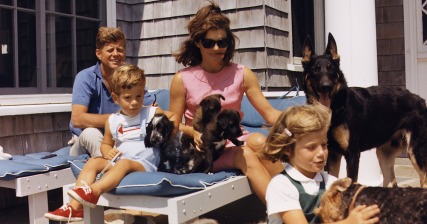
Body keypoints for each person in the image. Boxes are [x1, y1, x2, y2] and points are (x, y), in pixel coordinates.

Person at [169, 0, 284, 204]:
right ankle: (285, 212)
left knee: (258, 141)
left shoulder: (242, 74)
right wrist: (194, 133)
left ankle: (296, 202)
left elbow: (270, 113)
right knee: (246, 154)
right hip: (205, 150)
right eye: (209, 42)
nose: (216, 48)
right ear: (198, 42)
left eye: (222, 42)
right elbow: (174, 124)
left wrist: (303, 124)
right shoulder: (182, 79)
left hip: (235, 141)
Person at [45, 65, 179, 222]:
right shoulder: (113, 120)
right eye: (128, 98)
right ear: (116, 98)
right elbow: (106, 143)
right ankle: (74, 208)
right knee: (92, 162)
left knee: (124, 164)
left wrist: (170, 134)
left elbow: (174, 116)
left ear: (143, 94)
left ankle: (93, 192)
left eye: (138, 96)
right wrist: (107, 150)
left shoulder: (151, 112)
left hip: (144, 164)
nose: (134, 102)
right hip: (119, 161)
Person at [257, 104, 380, 224]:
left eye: (324, 144)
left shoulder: (330, 182)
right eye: (311, 147)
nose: (321, 152)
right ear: (288, 149)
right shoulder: (281, 185)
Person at [69, 27, 155, 158]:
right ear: (98, 53)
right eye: (110, 50)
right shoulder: (86, 77)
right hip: (85, 142)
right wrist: (119, 117)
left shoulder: (129, 78)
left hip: (119, 140)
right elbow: (78, 119)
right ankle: (110, 171)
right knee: (91, 133)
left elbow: (150, 108)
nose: (116, 54)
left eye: (119, 49)